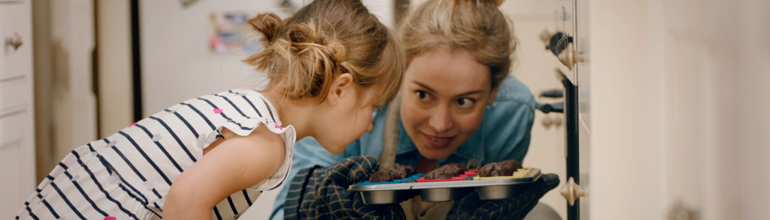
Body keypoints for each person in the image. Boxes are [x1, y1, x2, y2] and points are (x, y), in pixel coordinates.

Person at [15, 0, 404, 219]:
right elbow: (186, 201)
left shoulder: (244, 110)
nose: (371, 122)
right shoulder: (267, 142)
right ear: (340, 89)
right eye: (373, 107)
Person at [271, 0, 559, 219]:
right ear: (399, 78)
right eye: (423, 95)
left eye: (464, 101)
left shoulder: (512, 112)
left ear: (493, 92)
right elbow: (284, 209)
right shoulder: (354, 104)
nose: (439, 124)